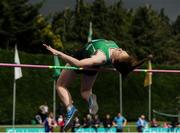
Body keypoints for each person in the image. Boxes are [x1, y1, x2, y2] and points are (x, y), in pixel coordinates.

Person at [43, 39, 149, 131]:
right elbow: (123, 64)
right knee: (85, 91)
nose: (120, 49)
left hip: (81, 59)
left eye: (121, 52)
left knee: (60, 85)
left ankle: (70, 109)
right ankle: (90, 98)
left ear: (114, 60)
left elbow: (78, 64)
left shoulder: (101, 57)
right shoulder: (115, 57)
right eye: (122, 51)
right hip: (93, 67)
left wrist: (58, 53)